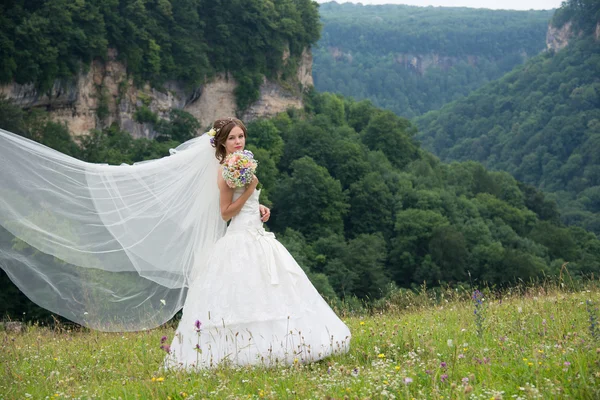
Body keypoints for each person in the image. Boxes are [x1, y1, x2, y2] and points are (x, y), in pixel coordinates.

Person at [163, 118, 351, 369]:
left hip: (257, 233)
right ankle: (243, 353)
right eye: (232, 138)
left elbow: (244, 202)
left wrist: (258, 206)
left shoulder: (240, 162)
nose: (238, 142)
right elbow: (226, 213)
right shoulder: (224, 169)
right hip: (240, 238)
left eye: (241, 136)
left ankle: (284, 345)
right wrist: (251, 191)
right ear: (221, 142)